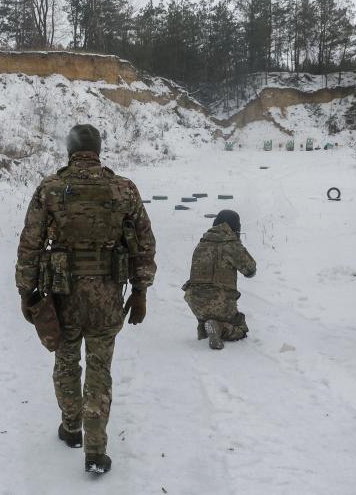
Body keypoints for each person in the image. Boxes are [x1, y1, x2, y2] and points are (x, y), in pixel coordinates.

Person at [16, 124, 156, 475]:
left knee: (66, 363)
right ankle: (96, 451)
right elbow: (145, 244)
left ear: (70, 150)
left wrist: (26, 290)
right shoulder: (123, 189)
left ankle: (71, 427)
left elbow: (30, 244)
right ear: (98, 149)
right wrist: (140, 291)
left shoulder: (50, 188)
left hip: (63, 296)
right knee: (99, 370)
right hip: (108, 296)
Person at [182, 210, 256, 350]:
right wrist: (238, 245)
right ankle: (220, 328)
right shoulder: (231, 244)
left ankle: (204, 328)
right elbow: (250, 270)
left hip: (195, 302)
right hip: (220, 303)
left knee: (205, 301)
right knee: (241, 326)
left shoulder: (202, 243)